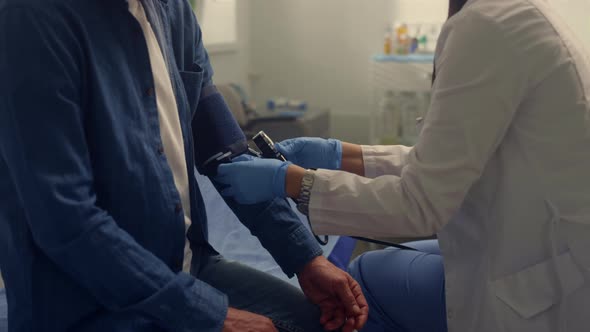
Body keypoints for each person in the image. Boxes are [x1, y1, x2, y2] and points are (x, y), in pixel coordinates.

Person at [215, 0, 590, 331]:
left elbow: (421, 204)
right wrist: (339, 154)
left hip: (543, 287)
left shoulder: (489, 25)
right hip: (545, 245)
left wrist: (294, 182)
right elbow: (452, 160)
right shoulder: (520, 15)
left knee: (364, 277)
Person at [0, 0, 368, 331]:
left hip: (189, 268)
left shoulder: (172, 12)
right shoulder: (31, 19)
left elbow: (228, 154)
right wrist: (209, 315)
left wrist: (304, 257)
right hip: (86, 302)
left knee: (317, 323)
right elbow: (66, 222)